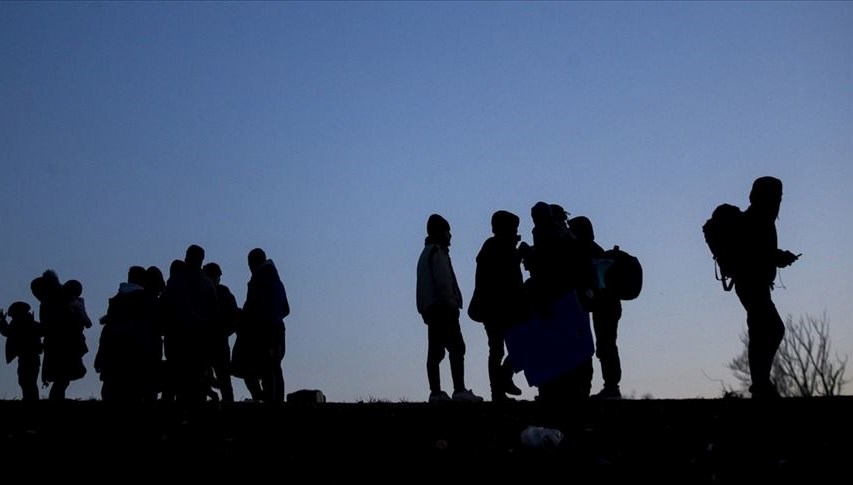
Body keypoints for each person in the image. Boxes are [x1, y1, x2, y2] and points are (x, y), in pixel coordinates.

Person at [733, 176, 800, 399]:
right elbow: (756, 252)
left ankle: (760, 383)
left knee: (764, 330)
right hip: (751, 283)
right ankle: (760, 385)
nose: (779, 201)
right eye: (776, 196)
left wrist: (777, 257)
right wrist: (780, 257)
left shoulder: (759, 218)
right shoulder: (757, 219)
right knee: (768, 329)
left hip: (753, 284)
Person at [416, 213, 482, 403]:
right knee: (457, 347)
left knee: (435, 351)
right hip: (443, 308)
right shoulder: (437, 252)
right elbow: (444, 282)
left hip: (431, 309)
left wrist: (423, 309)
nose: (450, 235)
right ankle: (459, 390)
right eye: (447, 231)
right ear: (440, 232)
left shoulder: (425, 254)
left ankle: (435, 392)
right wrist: (452, 303)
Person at [469, 210, 525, 402]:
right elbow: (506, 276)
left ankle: (500, 385)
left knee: (505, 349)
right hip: (499, 309)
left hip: (497, 309)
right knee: (505, 348)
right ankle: (500, 386)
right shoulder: (496, 247)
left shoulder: (496, 247)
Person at [569, 215, 623, 399]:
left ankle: (612, 387)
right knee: (606, 345)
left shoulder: (587, 251)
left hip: (604, 306)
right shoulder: (594, 249)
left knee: (606, 345)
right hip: (608, 305)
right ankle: (611, 386)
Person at [232, 248, 289, 402]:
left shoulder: (257, 280)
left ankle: (265, 401)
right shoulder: (278, 282)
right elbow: (286, 309)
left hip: (263, 330)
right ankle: (278, 402)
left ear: (252, 263)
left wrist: (244, 320)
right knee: (276, 367)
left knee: (260, 369)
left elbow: (254, 306)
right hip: (278, 329)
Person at [203, 262, 240, 403]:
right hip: (217, 343)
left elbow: (234, 318)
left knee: (218, 380)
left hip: (210, 343)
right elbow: (234, 317)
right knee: (224, 381)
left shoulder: (209, 292)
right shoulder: (224, 293)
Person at [0, 302, 43, 401]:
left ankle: (30, 399)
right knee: (29, 381)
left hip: (26, 357)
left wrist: (2, 320)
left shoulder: (18, 324)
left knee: (26, 381)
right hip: (32, 357)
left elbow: (7, 331)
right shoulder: (31, 323)